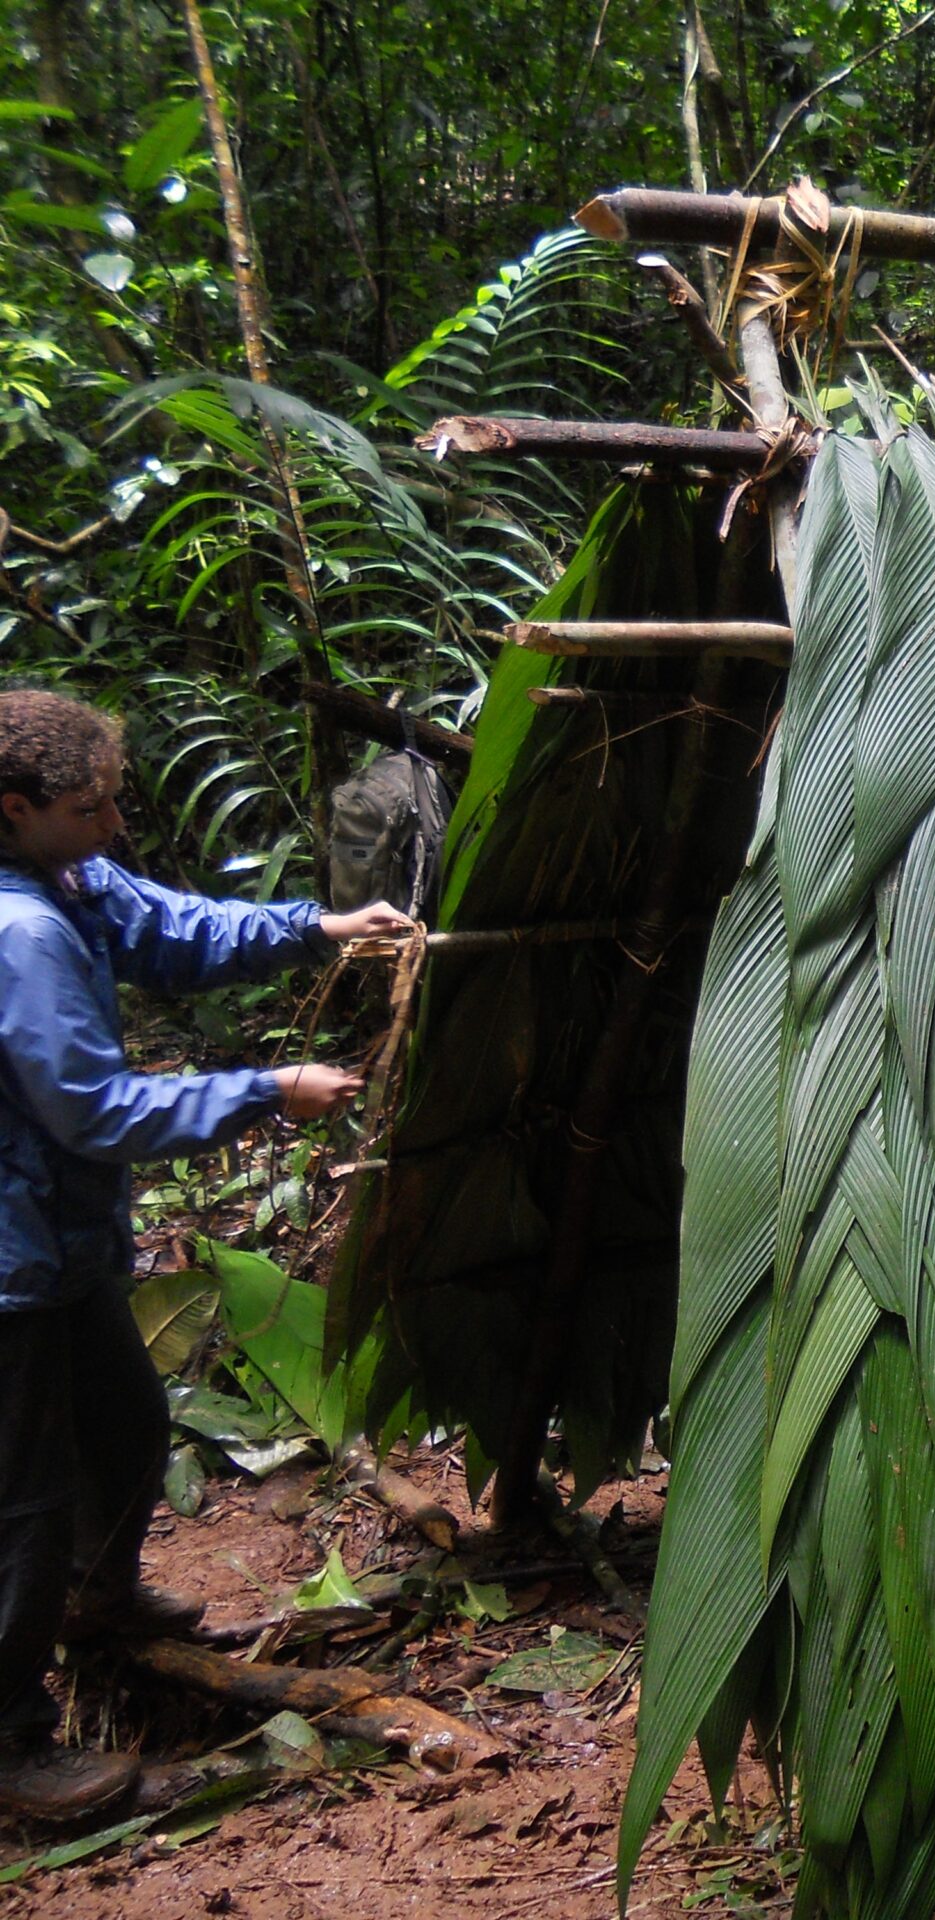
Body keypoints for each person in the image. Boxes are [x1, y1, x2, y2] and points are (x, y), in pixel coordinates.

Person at [0, 689, 410, 1823]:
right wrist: (265, 1090)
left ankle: (94, 1602)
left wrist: (317, 927)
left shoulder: (64, 878)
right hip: (10, 1261)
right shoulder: (19, 934)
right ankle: (13, 1747)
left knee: (124, 1425)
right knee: (22, 1504)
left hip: (51, 1238)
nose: (115, 825)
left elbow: (172, 929)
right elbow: (93, 1108)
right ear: (15, 807)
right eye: (91, 808)